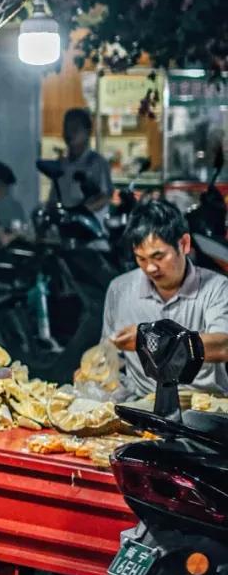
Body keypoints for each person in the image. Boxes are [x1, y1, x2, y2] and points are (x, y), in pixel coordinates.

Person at [102, 197, 228, 397]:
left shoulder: (218, 288)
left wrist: (150, 340)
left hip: (202, 406)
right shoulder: (119, 289)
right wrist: (95, 372)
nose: (150, 268)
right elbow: (110, 355)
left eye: (159, 257)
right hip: (141, 404)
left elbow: (222, 346)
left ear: (184, 244)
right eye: (141, 258)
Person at [54, 108, 113, 219]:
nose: (69, 132)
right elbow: (54, 199)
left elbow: (105, 197)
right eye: (66, 127)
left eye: (75, 128)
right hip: (65, 229)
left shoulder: (97, 163)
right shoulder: (61, 165)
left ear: (88, 132)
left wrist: (82, 212)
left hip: (92, 231)